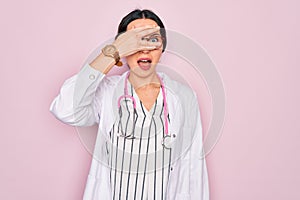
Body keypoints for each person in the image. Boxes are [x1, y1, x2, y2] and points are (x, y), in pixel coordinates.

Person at [50, 9, 209, 200]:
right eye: (134, 40)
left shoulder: (184, 97)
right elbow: (66, 109)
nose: (144, 48)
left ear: (162, 48)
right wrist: (112, 53)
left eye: (152, 40)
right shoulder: (106, 92)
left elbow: (193, 168)